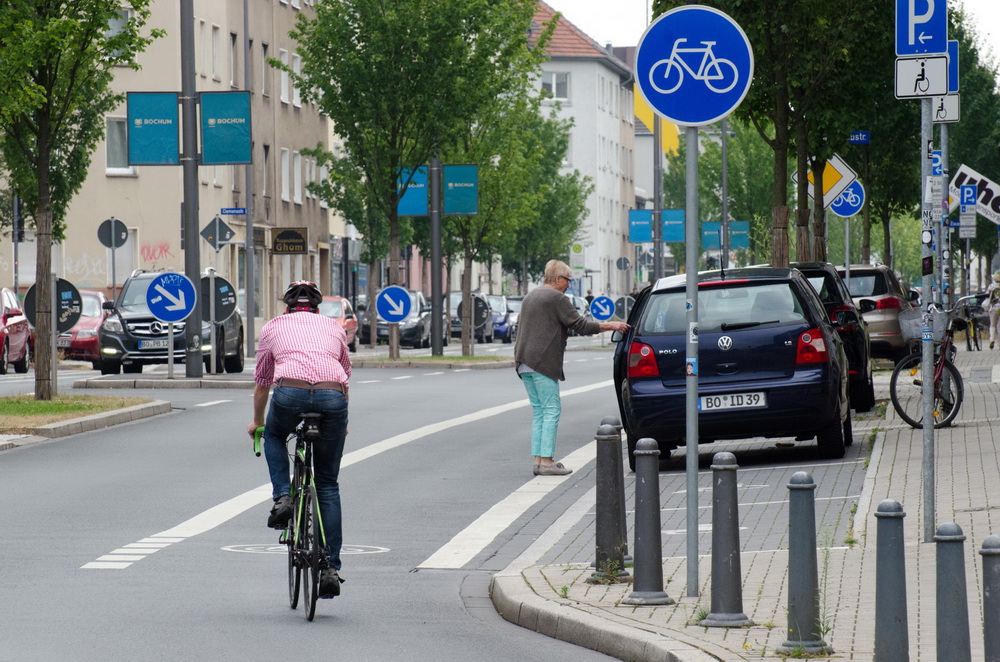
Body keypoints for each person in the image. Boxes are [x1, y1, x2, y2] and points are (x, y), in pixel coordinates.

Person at [247, 281, 351, 599]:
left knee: (276, 437)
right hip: (333, 397)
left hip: (289, 391)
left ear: (286, 308)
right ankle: (330, 567)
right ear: (318, 308)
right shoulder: (334, 328)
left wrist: (258, 423)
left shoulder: (273, 327)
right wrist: (340, 423)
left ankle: (284, 498)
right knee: (328, 484)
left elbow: (263, 383)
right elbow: (344, 374)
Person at [514, 260, 629, 476]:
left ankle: (538, 460)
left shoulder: (531, 296)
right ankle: (547, 462)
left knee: (539, 411)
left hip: (524, 362)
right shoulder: (557, 298)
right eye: (567, 280)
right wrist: (612, 325)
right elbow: (581, 325)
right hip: (542, 362)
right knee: (551, 410)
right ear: (557, 279)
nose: (569, 284)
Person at [987, 272, 1000, 349]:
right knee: (999, 326)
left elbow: (987, 296)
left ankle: (992, 338)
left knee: (993, 324)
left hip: (993, 307)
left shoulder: (992, 286)